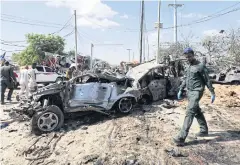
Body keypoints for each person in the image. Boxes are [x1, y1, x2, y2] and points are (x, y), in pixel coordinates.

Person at [173, 48, 215, 146]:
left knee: (190, 111)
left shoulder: (200, 66)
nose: (188, 59)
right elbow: (186, 79)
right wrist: (180, 89)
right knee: (196, 111)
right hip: (189, 92)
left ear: (193, 55)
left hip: (197, 91)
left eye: (189, 56)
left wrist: (212, 92)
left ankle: (181, 137)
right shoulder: (188, 67)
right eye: (186, 57)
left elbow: (207, 80)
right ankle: (204, 130)